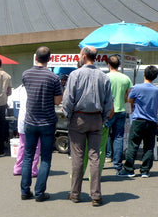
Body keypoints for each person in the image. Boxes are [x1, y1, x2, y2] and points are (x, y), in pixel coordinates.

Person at [62, 46, 113, 206]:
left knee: (77, 156)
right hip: (96, 118)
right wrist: (103, 118)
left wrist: (68, 116)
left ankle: (75, 193)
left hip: (78, 118)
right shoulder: (103, 77)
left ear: (83, 56)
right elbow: (108, 103)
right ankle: (96, 195)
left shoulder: (75, 74)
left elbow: (68, 99)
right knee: (94, 156)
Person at [20, 46, 62, 202]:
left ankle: (25, 191)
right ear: (49, 59)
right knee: (45, 158)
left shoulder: (26, 74)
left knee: (28, 157)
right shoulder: (53, 78)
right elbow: (58, 101)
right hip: (47, 121)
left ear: (36, 57)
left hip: (30, 120)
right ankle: (39, 193)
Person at [118, 65, 158, 178]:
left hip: (139, 120)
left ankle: (129, 169)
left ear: (144, 74)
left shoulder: (137, 87)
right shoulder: (157, 90)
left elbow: (130, 100)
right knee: (149, 146)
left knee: (133, 145)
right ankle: (145, 170)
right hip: (152, 121)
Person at [105, 55, 132, 173]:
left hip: (107, 111)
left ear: (108, 64)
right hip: (121, 110)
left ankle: (106, 157)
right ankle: (118, 165)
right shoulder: (126, 78)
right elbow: (129, 97)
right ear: (119, 65)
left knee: (104, 136)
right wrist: (123, 98)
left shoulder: (104, 77)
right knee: (118, 137)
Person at [13, 85, 40, 177]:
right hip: (34, 121)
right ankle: (32, 169)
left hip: (22, 120)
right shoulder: (37, 88)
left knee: (22, 145)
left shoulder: (21, 89)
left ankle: (18, 168)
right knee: (35, 147)